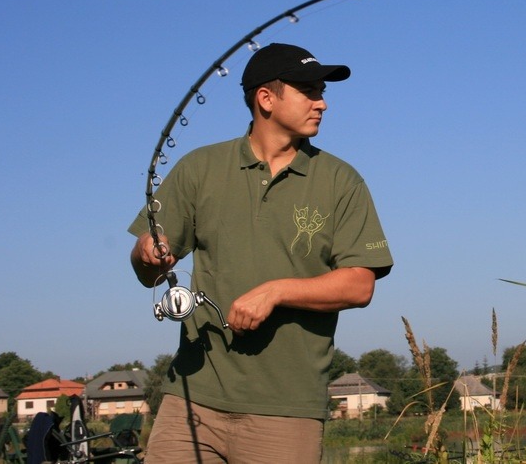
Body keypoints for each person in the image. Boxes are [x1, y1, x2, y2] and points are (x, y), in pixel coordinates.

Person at [129, 42, 393, 464]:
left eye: (322, 91)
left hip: (287, 412)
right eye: (308, 90)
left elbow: (360, 285)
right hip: (190, 402)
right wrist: (148, 253)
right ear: (265, 99)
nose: (322, 102)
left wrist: (275, 291)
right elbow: (147, 270)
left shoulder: (342, 181)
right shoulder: (199, 169)